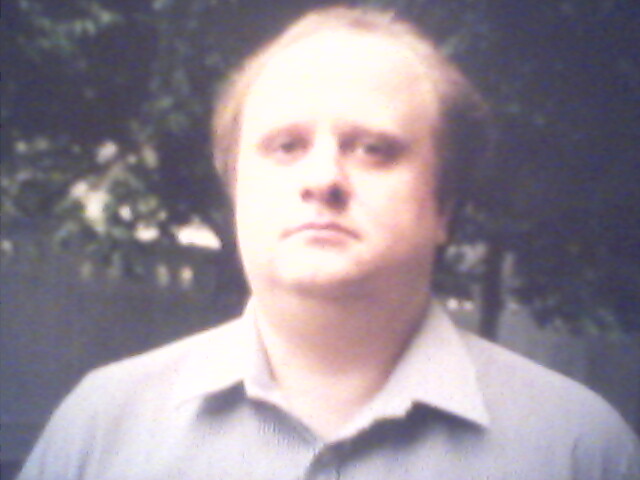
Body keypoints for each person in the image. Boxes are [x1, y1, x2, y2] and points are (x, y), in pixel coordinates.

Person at [18, 6, 640, 480]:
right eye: (285, 146)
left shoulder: (577, 450)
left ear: (444, 206)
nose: (322, 179)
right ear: (237, 191)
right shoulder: (102, 428)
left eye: (373, 149)